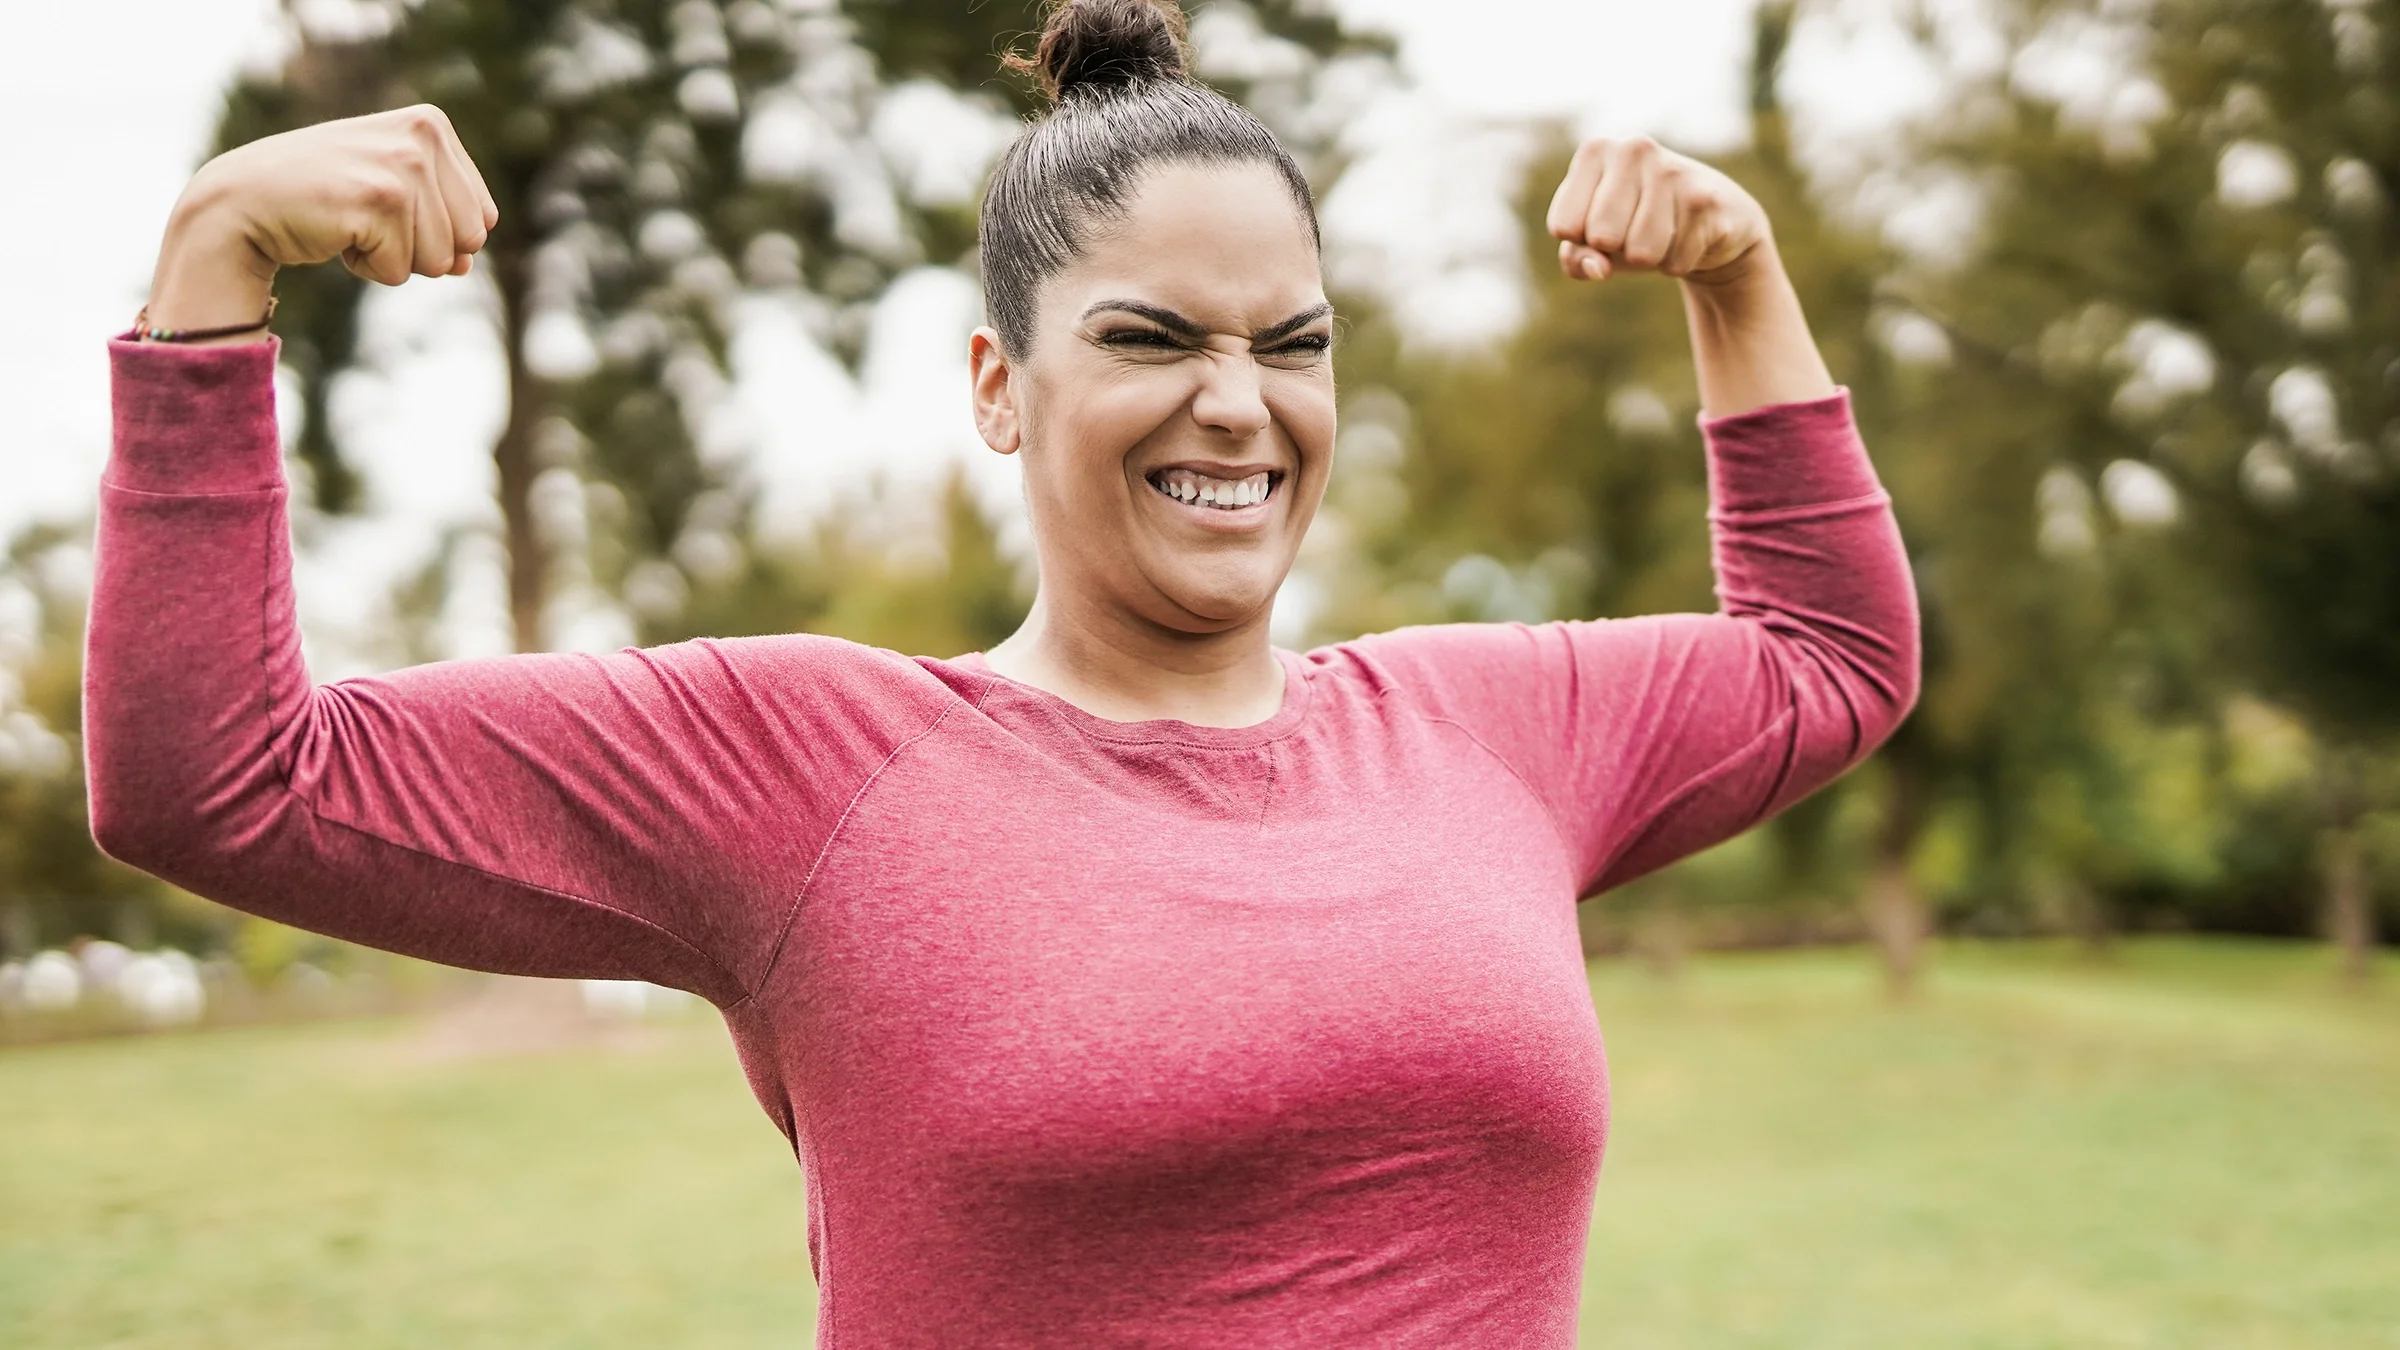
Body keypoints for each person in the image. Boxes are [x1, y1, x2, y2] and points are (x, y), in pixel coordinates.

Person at [85, 0, 1918, 1343]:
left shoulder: (1486, 732)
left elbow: (1833, 657)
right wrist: (211, 266)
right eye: (1151, 338)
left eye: (1294, 342)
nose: (1239, 400)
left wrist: (1740, 277)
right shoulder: (807, 769)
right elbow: (221, 776)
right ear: (994, 387)